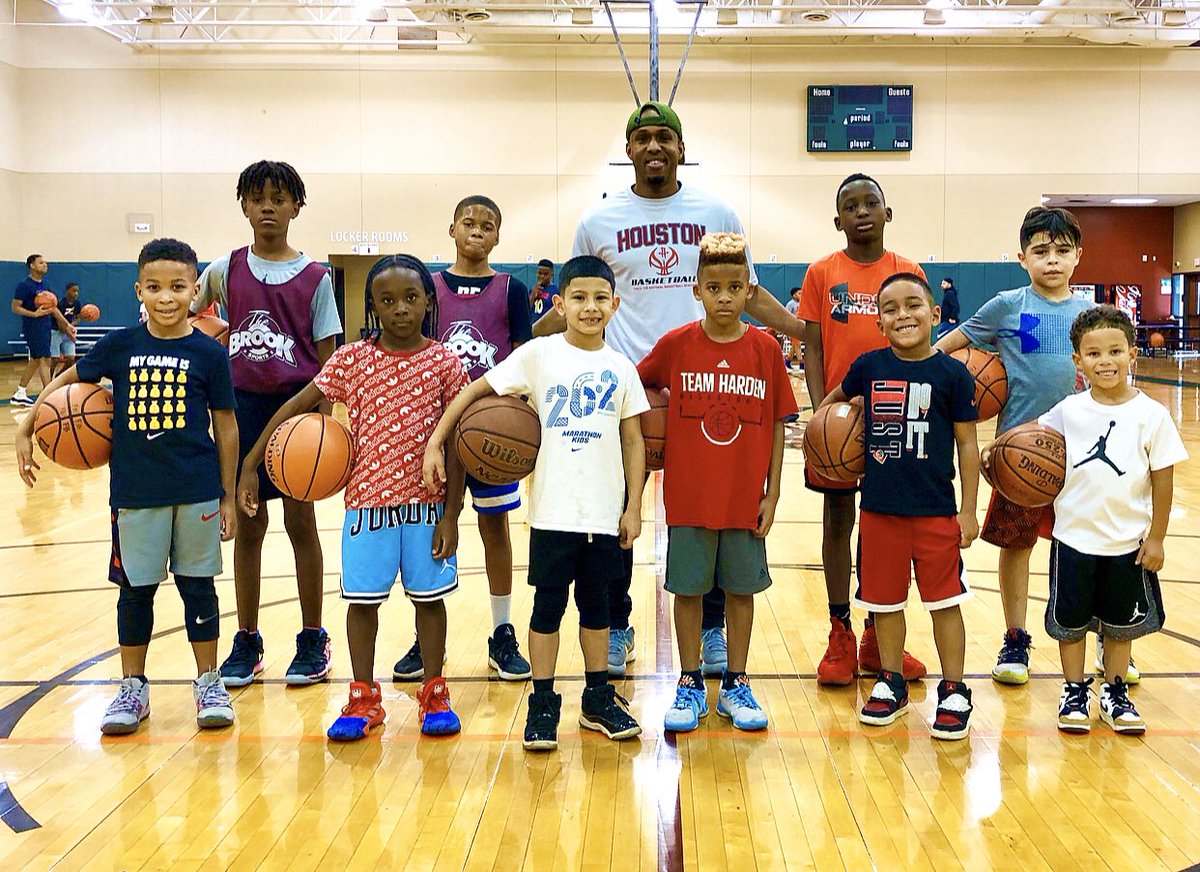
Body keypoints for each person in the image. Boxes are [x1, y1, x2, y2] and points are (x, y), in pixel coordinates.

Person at [534, 100, 805, 679]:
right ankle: (619, 621)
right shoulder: (597, 219)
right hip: (624, 390)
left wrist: (803, 329)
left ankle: (711, 631)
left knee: (708, 512)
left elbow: (748, 292)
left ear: (682, 148)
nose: (654, 147)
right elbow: (583, 295)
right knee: (617, 517)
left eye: (665, 138)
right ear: (628, 150)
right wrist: (526, 345)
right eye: (643, 138)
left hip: (710, 386)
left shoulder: (717, 209)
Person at [239, 255, 469, 740]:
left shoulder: (445, 361)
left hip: (427, 507)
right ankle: (364, 696)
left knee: (429, 603)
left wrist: (452, 513)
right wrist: (250, 463)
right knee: (362, 604)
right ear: (371, 306)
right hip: (366, 507)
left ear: (429, 301)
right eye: (387, 301)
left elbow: (457, 441)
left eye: (411, 298)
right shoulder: (350, 360)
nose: (400, 309)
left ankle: (434, 691)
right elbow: (295, 406)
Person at [15, 238, 239, 735]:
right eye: (154, 287)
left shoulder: (208, 352)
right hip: (135, 495)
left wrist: (226, 494)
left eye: (177, 287)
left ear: (194, 290)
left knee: (198, 588)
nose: (165, 297)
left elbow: (226, 426)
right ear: (138, 289)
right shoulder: (120, 345)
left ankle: (208, 681)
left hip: (197, 489)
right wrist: (28, 424)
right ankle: (133, 687)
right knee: (135, 592)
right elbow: (69, 379)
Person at [424, 255, 648, 751]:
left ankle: (595, 698)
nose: (590, 307)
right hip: (552, 513)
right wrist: (438, 437)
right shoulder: (539, 356)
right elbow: (474, 390)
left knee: (599, 611)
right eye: (579, 298)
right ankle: (543, 702)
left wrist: (633, 509)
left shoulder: (621, 367)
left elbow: (634, 443)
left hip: (605, 515)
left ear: (615, 304)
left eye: (600, 298)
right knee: (547, 609)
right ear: (561, 303)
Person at [639, 233, 796, 733]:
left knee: (741, 592)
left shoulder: (766, 349)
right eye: (714, 287)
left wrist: (772, 493)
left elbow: (776, 424)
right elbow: (640, 385)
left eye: (734, 287)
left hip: (744, 498)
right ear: (697, 290)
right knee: (687, 591)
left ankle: (735, 682)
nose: (724, 297)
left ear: (750, 290)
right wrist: (654, 434)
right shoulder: (677, 345)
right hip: (688, 496)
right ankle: (688, 681)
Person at [196, 160, 343, 689]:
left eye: (279, 199)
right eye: (257, 198)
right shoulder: (224, 268)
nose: (268, 207)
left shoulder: (317, 277)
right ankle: (249, 639)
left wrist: (324, 429)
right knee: (248, 527)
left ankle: (312, 637)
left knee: (301, 524)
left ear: (296, 207)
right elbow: (188, 320)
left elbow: (329, 364)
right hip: (240, 410)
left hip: (298, 412)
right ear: (242, 204)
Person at [935, 207, 1095, 685]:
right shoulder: (1007, 305)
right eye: (1041, 251)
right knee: (1017, 547)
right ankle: (1016, 638)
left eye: (1062, 252)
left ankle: (1108, 637)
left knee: (1090, 549)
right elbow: (948, 346)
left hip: (1085, 452)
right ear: (1022, 257)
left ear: (1078, 257)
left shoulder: (1091, 315)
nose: (1052, 261)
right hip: (1019, 453)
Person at [821, 273, 980, 739]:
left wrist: (969, 511)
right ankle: (890, 681)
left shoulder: (953, 373)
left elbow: (968, 446)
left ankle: (954, 688)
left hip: (935, 511)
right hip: (879, 511)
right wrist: (826, 435)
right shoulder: (868, 366)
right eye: (890, 308)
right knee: (884, 604)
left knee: (945, 604)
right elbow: (833, 408)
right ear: (879, 323)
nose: (902, 314)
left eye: (913, 305)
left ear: (935, 315)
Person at [391, 195, 533, 683]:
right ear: (451, 229)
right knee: (432, 531)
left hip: (494, 432)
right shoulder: (426, 288)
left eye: (487, 224)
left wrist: (521, 418)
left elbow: (522, 360)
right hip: (436, 430)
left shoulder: (511, 289)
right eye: (468, 222)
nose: (477, 229)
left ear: (498, 236)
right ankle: (426, 638)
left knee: (496, 529)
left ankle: (502, 632)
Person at [799, 174, 929, 686]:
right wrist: (818, 411)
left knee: (883, 527)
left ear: (887, 212)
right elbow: (812, 347)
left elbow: (920, 342)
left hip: (897, 413)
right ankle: (840, 631)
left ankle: (878, 631)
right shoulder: (820, 273)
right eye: (849, 207)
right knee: (838, 520)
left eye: (870, 203)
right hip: (839, 422)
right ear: (837, 221)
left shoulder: (906, 270)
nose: (861, 213)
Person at [1039, 306, 1186, 734]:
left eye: (1115, 351)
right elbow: (1031, 446)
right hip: (1072, 539)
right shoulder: (1067, 410)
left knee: (1120, 628)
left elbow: (1163, 479)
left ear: (1132, 355)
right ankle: (1073, 689)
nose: (1105, 361)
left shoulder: (1152, 415)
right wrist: (998, 454)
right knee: (1071, 625)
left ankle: (1115, 691)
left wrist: (1156, 538)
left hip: (1127, 542)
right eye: (1094, 353)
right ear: (1077, 361)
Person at [11, 254, 74, 406]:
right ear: (32, 266)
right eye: (40, 262)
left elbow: (54, 309)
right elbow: (15, 307)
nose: (44, 264)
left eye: (45, 262)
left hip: (45, 327)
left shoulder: (46, 285)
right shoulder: (24, 285)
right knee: (44, 359)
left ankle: (20, 392)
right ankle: (48, 395)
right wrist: (34, 314)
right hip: (33, 327)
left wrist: (67, 325)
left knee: (36, 359)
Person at [51, 282, 84, 377]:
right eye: (74, 291)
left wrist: (73, 324)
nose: (76, 293)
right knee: (54, 359)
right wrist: (70, 334)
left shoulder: (77, 304)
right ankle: (48, 381)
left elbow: (78, 318)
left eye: (77, 291)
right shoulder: (61, 303)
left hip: (68, 332)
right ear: (67, 291)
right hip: (56, 332)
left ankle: (60, 376)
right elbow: (60, 326)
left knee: (71, 359)